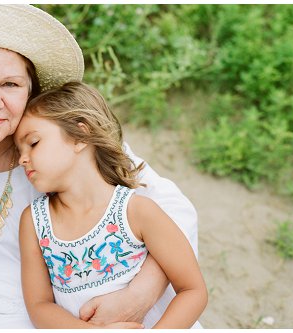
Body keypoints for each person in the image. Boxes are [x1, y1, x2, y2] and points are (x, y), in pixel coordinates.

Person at [0, 4, 199, 328]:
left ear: (30, 90)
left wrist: (141, 293)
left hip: (110, 312)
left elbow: (174, 208)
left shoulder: (64, 145)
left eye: (10, 85)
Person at [17, 82, 207, 329]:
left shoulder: (136, 211)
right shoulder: (34, 221)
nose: (22, 158)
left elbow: (193, 290)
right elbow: (39, 306)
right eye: (18, 150)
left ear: (79, 136)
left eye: (33, 143)